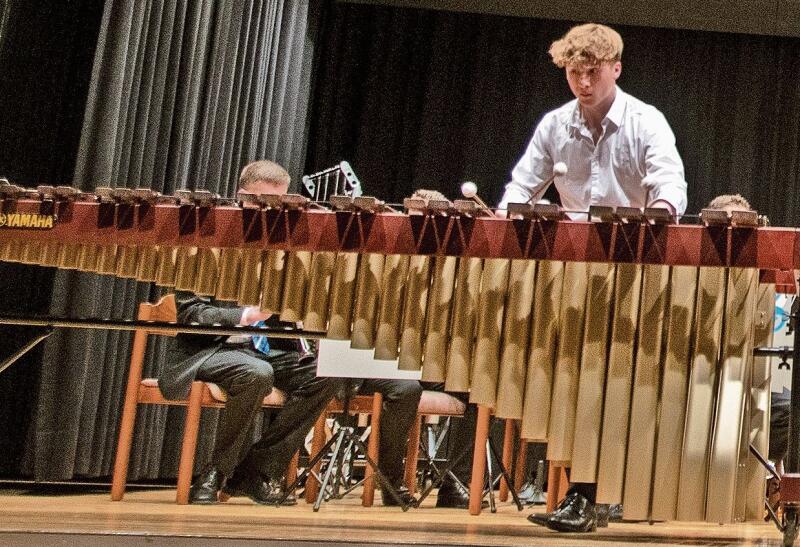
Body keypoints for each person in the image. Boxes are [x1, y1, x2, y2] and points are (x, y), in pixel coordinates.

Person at [500, 24, 688, 532]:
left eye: (593, 71)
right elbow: (522, 184)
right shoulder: (554, 125)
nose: (583, 82)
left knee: (611, 382)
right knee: (575, 379)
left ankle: (592, 494)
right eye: (573, 72)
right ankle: (585, 494)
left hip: (635, 274)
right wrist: (504, 221)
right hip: (573, 273)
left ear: (616, 69)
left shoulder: (645, 121)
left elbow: (670, 184)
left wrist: (662, 210)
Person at [158, 160, 342, 505]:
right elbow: (192, 313)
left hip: (264, 350)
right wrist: (245, 314)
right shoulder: (206, 239)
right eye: (267, 203)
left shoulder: (279, 248)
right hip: (210, 350)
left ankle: (255, 473)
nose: (275, 212)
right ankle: (216, 472)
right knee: (257, 372)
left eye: (280, 204)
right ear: (242, 196)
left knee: (327, 372)